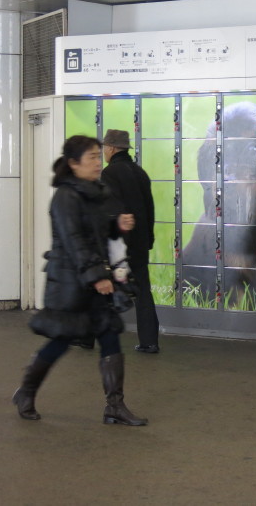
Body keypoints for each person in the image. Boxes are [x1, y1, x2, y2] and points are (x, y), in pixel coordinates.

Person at [13, 135, 148, 425]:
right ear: (74, 163)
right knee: (61, 341)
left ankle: (114, 406)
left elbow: (97, 232)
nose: (98, 163)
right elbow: (74, 241)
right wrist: (97, 277)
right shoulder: (65, 197)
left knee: (109, 335)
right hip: (71, 283)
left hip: (93, 279)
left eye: (99, 156)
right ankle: (26, 391)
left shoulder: (95, 192)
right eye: (91, 158)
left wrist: (116, 224)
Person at [101, 129, 160, 354]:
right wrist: (148, 239)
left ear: (111, 148)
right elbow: (150, 210)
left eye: (105, 147)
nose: (104, 152)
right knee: (143, 291)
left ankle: (87, 337)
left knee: (100, 289)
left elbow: (111, 209)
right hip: (140, 243)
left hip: (119, 245)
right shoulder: (140, 172)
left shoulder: (110, 173)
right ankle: (149, 341)